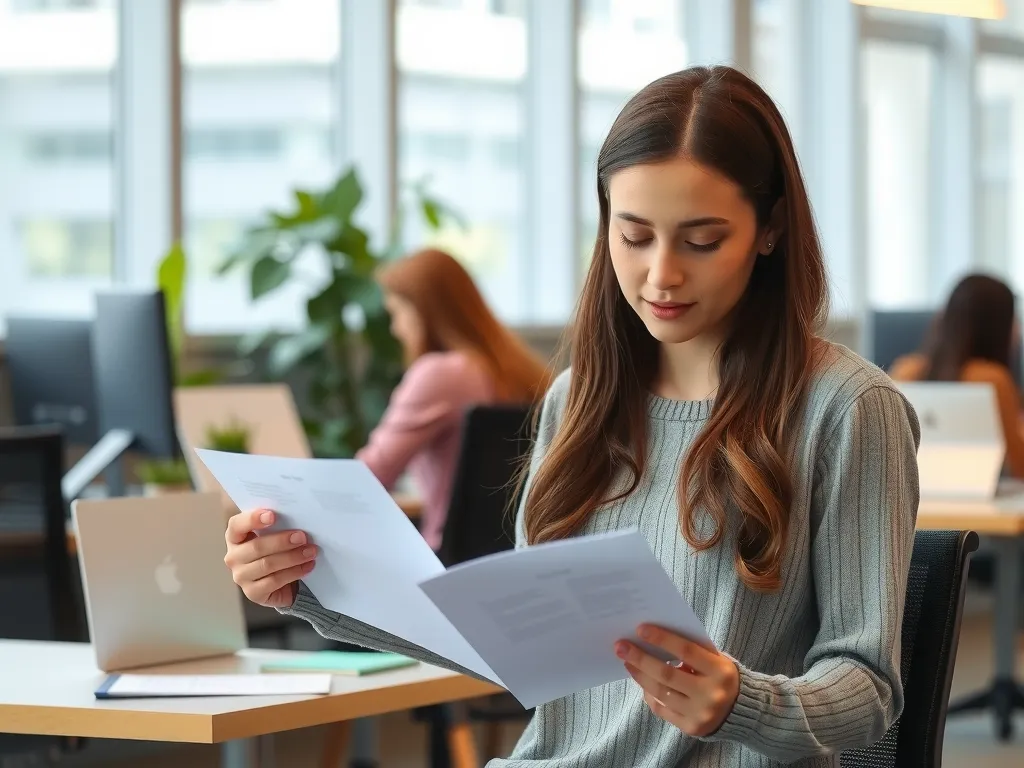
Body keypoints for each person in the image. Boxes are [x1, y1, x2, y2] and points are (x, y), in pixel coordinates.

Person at [223, 65, 920, 766]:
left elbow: (870, 691)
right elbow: (516, 649)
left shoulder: (849, 409)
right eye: (634, 235)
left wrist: (740, 702)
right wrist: (308, 582)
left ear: (769, 230)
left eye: (702, 240)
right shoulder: (579, 400)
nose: (661, 275)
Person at [358, 247, 552, 550]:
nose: (396, 329)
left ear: (425, 311)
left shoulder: (439, 375)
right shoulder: (524, 372)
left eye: (397, 313)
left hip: (444, 567)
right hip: (520, 557)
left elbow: (370, 476)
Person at [889, 273, 1024, 477]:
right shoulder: (992, 379)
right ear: (998, 326)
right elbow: (1019, 467)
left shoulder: (904, 371)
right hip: (982, 504)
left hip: (914, 498)